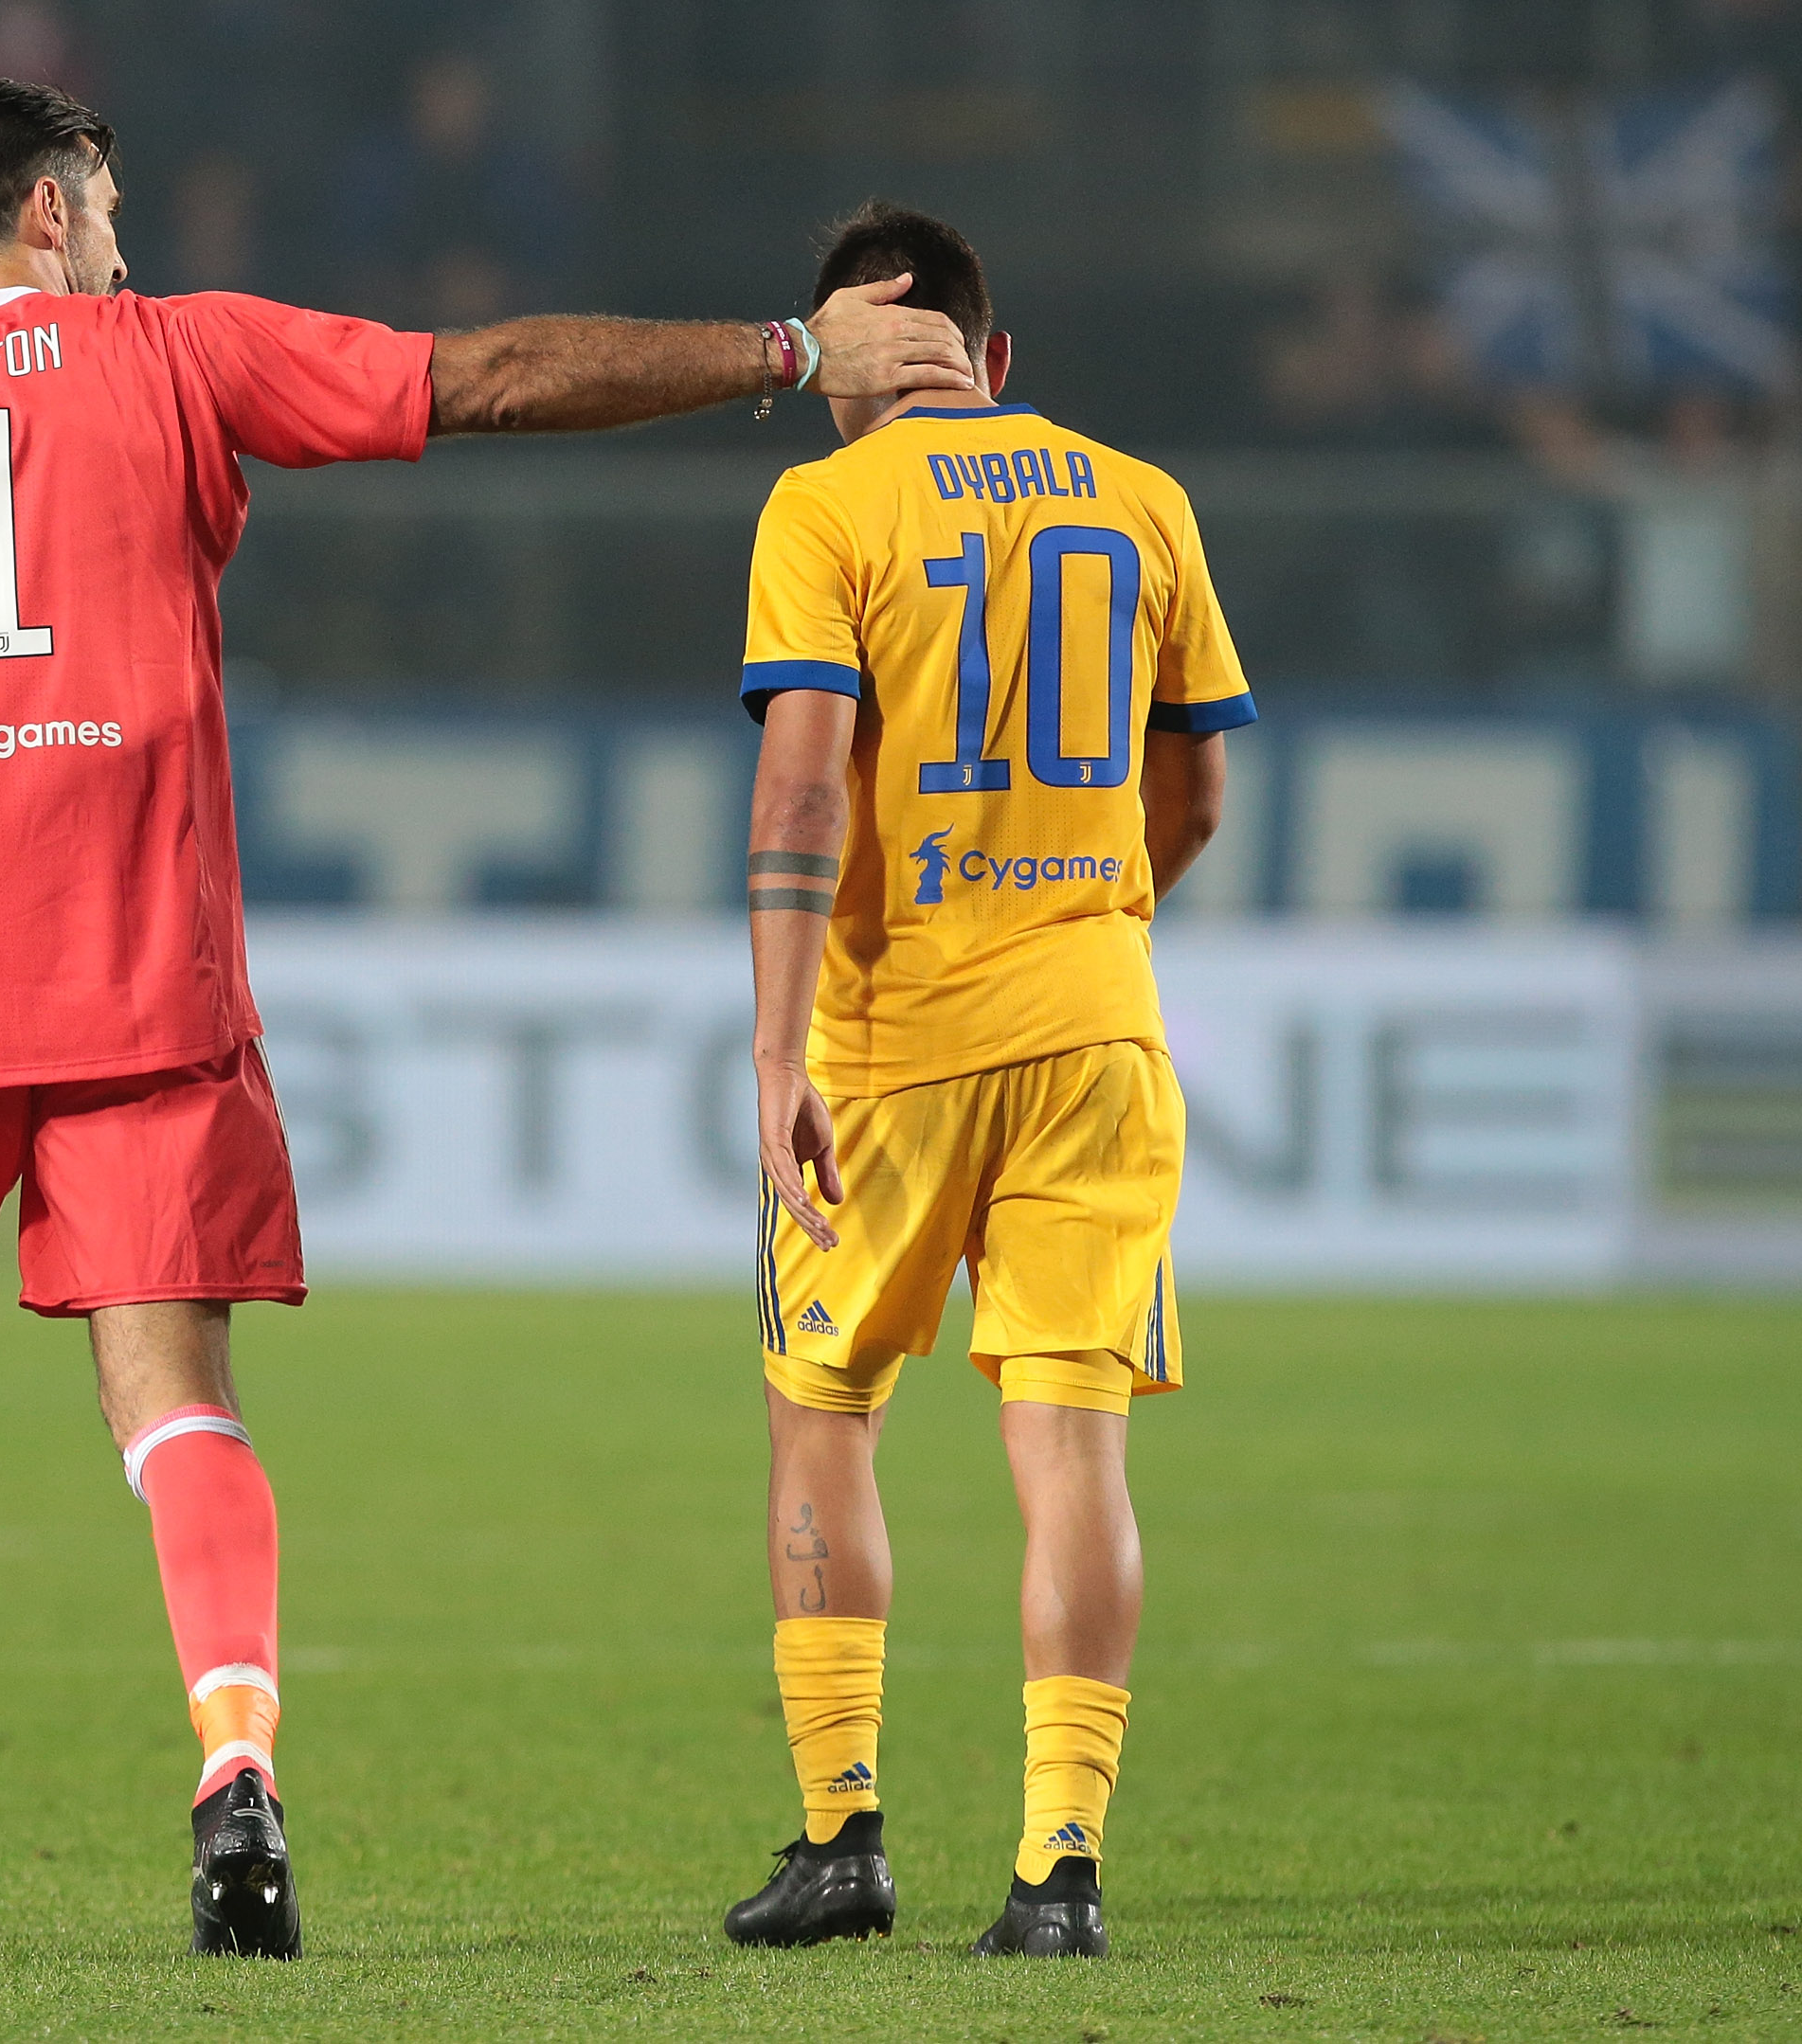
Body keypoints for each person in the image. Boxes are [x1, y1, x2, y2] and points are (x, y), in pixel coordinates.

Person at [0, 82, 976, 1958]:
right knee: (174, 1397)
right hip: (139, 968)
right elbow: (499, 376)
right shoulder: (182, 356)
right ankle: (234, 1765)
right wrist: (786, 348)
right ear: (44, 212)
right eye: (105, 205)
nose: (123, 237)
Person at [722, 201, 1252, 1960]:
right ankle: (1063, 1869)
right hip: (1096, 1028)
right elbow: (1192, 805)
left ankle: (841, 1832)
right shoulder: (1144, 499)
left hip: (887, 1045)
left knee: (823, 1411)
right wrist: (1081, 931)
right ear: (995, 357)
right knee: (1073, 1446)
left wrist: (777, 1039)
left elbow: (804, 788)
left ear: (845, 374)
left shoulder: (827, 502)